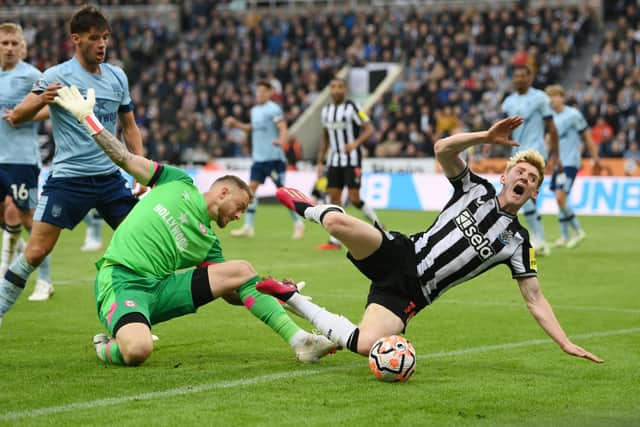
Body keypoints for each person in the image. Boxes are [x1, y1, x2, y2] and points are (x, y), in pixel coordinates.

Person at [259, 116, 603, 364]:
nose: (524, 178)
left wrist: (565, 342)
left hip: (413, 294)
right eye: (520, 172)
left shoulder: (518, 242)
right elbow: (442, 149)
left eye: (531, 179)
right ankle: (307, 207)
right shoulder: (474, 189)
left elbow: (535, 299)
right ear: (505, 176)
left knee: (365, 345)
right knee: (336, 222)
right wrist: (485, 135)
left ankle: (292, 298)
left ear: (534, 193)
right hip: (401, 253)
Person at [52, 85, 336, 366]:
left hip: (161, 291)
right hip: (123, 282)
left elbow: (235, 292)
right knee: (138, 350)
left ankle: (301, 342)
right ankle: (107, 347)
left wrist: (279, 294)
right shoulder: (176, 180)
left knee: (241, 270)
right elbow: (124, 158)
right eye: (240, 207)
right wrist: (88, 120)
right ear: (223, 192)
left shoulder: (209, 243)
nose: (239, 216)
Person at [0, 6, 144, 323]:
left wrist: (140, 168)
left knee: (143, 246)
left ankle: (133, 319)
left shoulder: (117, 76)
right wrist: (42, 98)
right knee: (36, 251)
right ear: (75, 40)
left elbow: (130, 127)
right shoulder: (55, 75)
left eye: (105, 38)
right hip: (68, 180)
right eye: (94, 38)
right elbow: (17, 117)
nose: (102, 44)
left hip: (110, 179)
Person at [0, 22, 53, 300]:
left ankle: (44, 280)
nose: (9, 48)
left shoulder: (32, 75)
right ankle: (17, 250)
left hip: (21, 160)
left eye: (13, 44)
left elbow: (53, 105)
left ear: (22, 46)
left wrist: (24, 115)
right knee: (5, 217)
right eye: (4, 43)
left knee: (29, 218)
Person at [224, 80, 304, 239]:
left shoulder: (273, 109)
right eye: (258, 91)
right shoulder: (254, 111)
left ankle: (298, 223)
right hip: (259, 159)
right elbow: (252, 128)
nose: (259, 94)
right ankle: (248, 226)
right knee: (250, 191)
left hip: (274, 158)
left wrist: (282, 140)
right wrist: (236, 124)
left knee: (282, 192)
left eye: (263, 91)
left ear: (269, 93)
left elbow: (283, 127)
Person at [501, 65, 559, 256]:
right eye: (515, 75)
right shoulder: (509, 101)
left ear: (530, 78)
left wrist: (555, 155)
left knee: (523, 195)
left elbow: (551, 127)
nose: (518, 79)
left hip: (535, 153)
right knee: (521, 197)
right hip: (517, 154)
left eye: (522, 76)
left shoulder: (540, 98)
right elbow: (504, 128)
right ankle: (538, 239)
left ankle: (537, 239)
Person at [316, 77, 380, 250]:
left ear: (345, 90)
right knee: (334, 198)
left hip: (352, 160)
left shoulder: (353, 107)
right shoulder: (326, 111)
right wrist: (321, 161)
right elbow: (326, 137)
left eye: (340, 87)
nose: (336, 90)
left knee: (354, 198)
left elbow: (369, 129)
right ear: (330, 90)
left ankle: (378, 225)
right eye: (333, 87)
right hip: (334, 161)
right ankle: (334, 241)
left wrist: (355, 144)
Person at [545, 85, 601, 249]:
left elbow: (587, 136)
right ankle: (564, 236)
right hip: (558, 164)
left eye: (555, 96)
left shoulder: (573, 115)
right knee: (559, 199)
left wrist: (596, 157)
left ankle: (578, 231)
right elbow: (550, 140)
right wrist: (547, 159)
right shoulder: (550, 117)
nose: (552, 100)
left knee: (560, 198)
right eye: (550, 97)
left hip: (570, 162)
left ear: (562, 97)